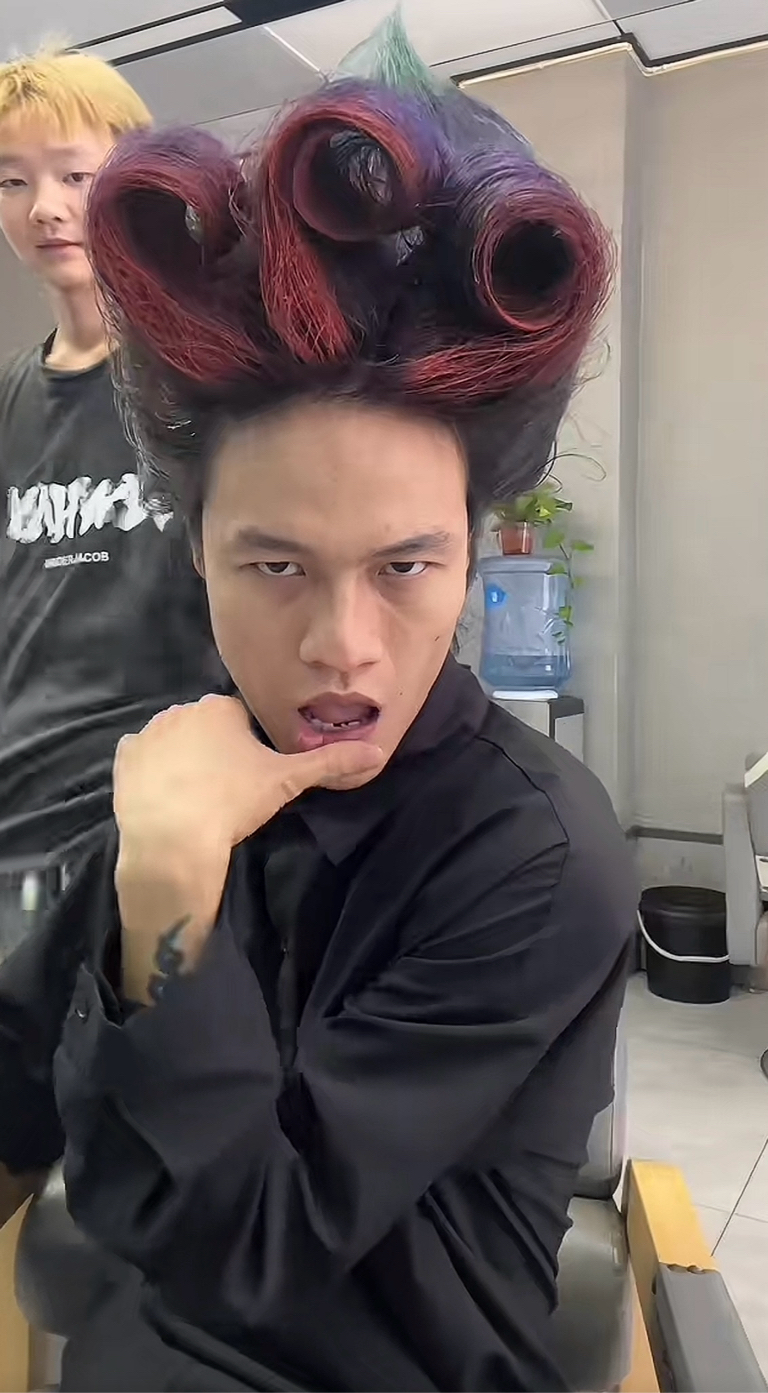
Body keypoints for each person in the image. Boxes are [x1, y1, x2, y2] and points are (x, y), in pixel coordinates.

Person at [0, 19, 636, 1392]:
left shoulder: (535, 856)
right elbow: (60, 1135)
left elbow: (257, 1253)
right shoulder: (187, 774)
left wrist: (168, 900)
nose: (342, 648)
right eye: (276, 566)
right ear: (195, 552)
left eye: (405, 567)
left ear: (471, 552)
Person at [0, 48, 222, 960]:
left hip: (155, 826)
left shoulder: (206, 379)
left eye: (74, 176)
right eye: (12, 181)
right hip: (16, 827)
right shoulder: (10, 399)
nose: (43, 208)